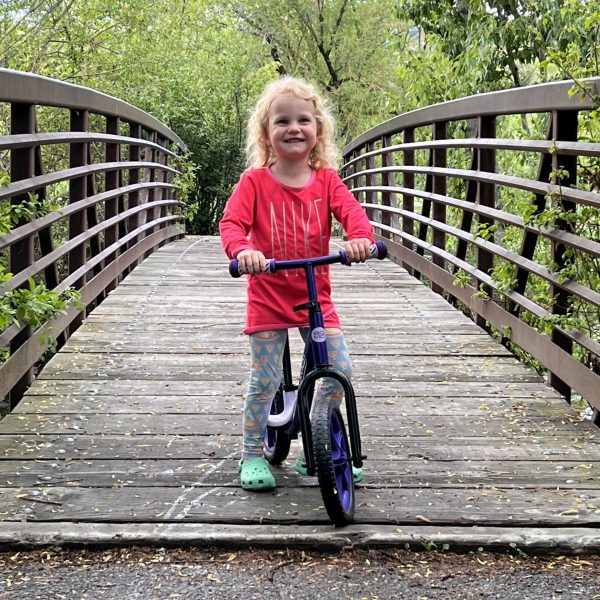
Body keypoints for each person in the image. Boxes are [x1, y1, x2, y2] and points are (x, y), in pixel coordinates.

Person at [219, 76, 374, 491]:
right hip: (268, 297)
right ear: (266, 132)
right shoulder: (254, 182)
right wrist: (242, 251)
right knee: (266, 378)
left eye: (303, 120)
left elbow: (352, 214)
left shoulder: (327, 180)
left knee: (338, 367)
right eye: (282, 120)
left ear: (317, 129)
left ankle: (319, 445)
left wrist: (360, 239)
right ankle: (252, 453)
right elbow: (232, 223)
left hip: (314, 298)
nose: (293, 128)